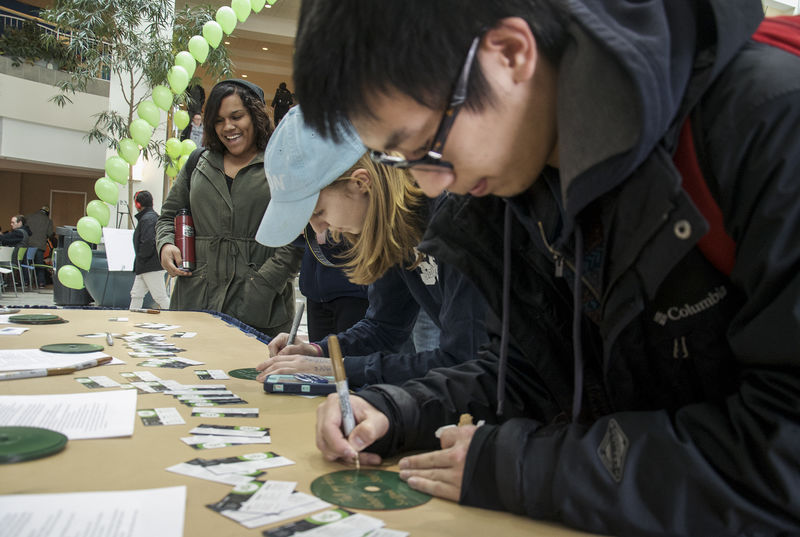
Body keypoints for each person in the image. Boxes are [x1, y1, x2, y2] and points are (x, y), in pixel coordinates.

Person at [292, 1, 800, 536]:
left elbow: (783, 455)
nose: (429, 185)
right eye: (400, 160)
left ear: (511, 53)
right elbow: (530, 372)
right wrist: (397, 409)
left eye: (426, 145)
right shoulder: (521, 179)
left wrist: (520, 466)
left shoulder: (770, 122)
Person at [254, 106, 488, 388]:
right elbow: (384, 328)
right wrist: (319, 351)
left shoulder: (455, 216)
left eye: (319, 212)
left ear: (360, 183)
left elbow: (464, 359)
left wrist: (335, 368)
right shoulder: (396, 227)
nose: (320, 230)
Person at [156, 79, 303, 337]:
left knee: (247, 375)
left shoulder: (281, 164)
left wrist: (264, 284)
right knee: (189, 373)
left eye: (237, 117)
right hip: (195, 301)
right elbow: (169, 215)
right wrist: (166, 244)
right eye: (219, 120)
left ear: (255, 116)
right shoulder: (198, 163)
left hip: (261, 307)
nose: (228, 127)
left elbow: (295, 238)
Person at [300, 232, 369, 342]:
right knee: (317, 356)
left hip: (352, 291)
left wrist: (330, 236)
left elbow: (373, 230)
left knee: (350, 355)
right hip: (315, 292)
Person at [130, 191, 170, 310]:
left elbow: (148, 242)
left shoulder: (147, 219)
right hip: (147, 265)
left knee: (160, 297)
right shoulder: (151, 218)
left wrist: (141, 258)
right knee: (136, 294)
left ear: (138, 204)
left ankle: (176, 317)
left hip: (150, 265)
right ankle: (132, 318)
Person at [25, 206, 54, 286]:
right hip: (40, 246)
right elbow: (50, 233)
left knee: (27, 263)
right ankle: (41, 282)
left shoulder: (29, 216)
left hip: (28, 244)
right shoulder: (48, 220)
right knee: (39, 265)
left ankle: (26, 282)